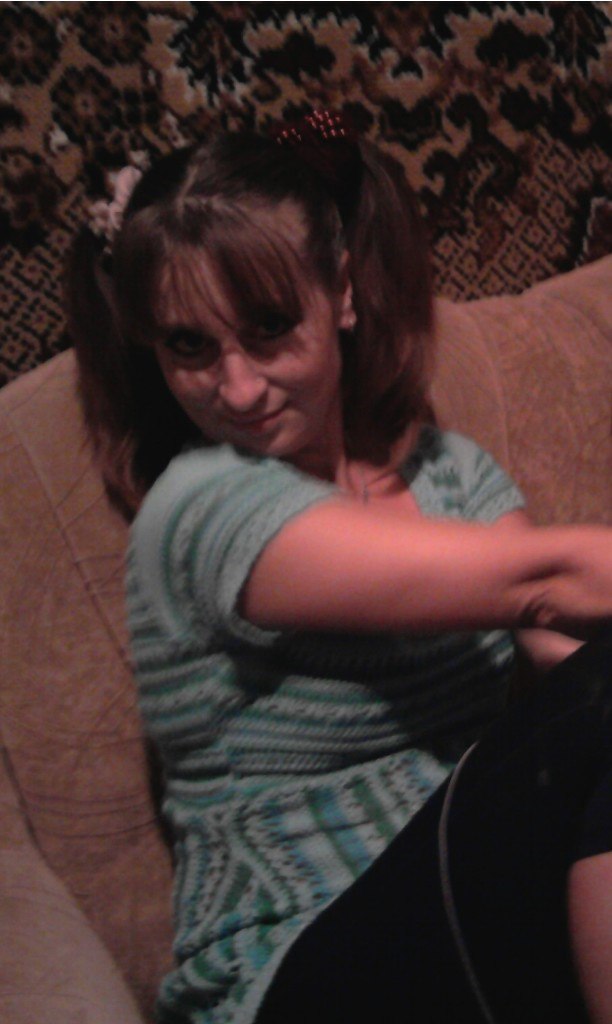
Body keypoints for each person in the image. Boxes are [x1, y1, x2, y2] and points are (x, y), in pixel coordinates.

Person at [66, 114, 612, 1024]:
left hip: (469, 927)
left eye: (269, 328)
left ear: (343, 294)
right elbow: (545, 579)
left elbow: (565, 654)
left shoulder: (451, 474)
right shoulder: (198, 509)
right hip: (295, 970)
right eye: (190, 347)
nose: (238, 389)